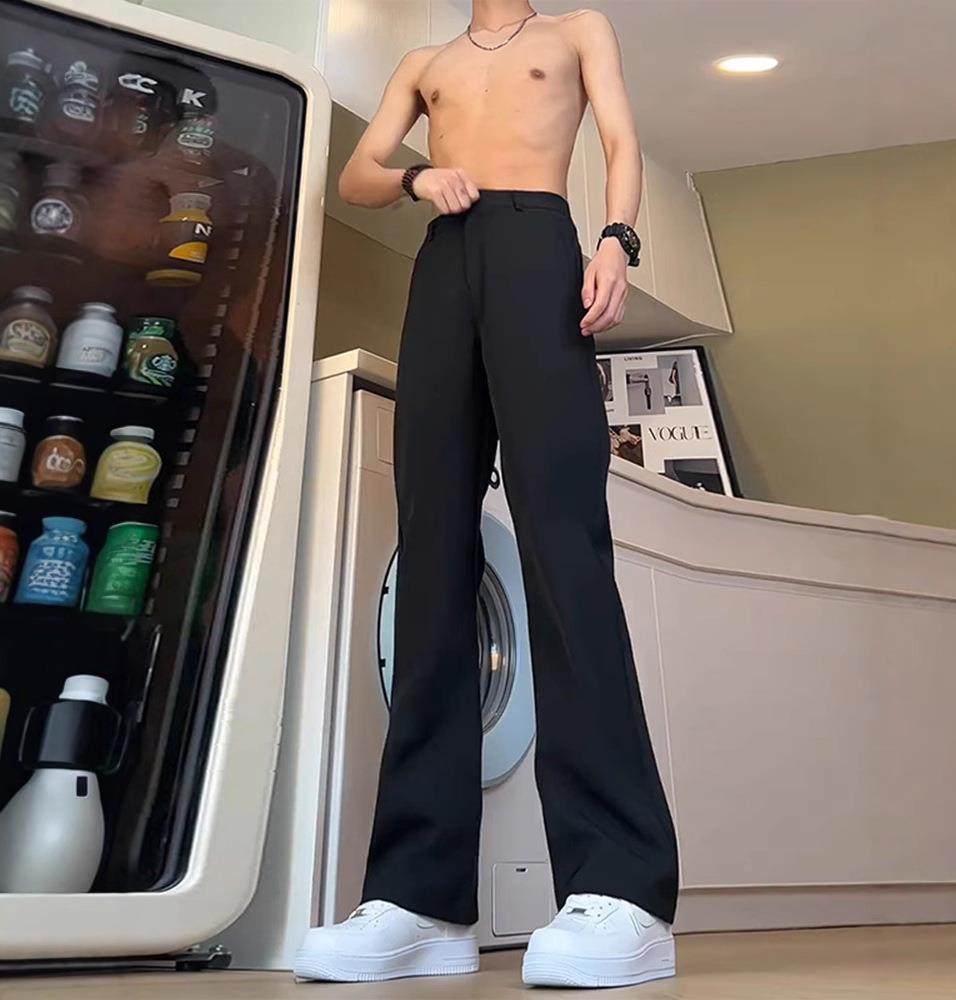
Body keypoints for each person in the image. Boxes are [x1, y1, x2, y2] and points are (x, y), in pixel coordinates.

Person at [295, 1, 679, 989]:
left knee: (563, 548)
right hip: (443, 259)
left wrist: (616, 240)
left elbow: (621, 138)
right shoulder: (424, 60)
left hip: (539, 245)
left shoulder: (577, 30)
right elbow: (358, 174)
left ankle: (622, 889)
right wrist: (417, 176)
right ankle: (419, 900)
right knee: (430, 560)